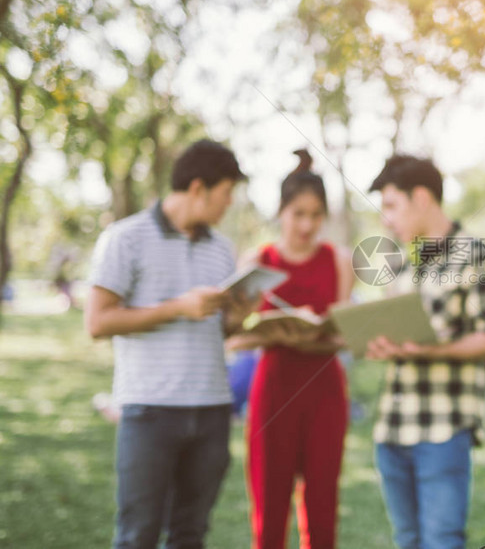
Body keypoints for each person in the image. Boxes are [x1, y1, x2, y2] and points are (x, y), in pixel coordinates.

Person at [85, 139, 251, 549]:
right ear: (199, 188)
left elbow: (222, 330)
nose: (228, 204)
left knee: (190, 534)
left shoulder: (222, 250)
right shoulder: (124, 238)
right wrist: (178, 307)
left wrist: (239, 313)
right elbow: (98, 321)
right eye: (226, 193)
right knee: (137, 533)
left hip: (212, 410)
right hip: (150, 410)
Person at [365, 155, 485, 549]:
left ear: (422, 197)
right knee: (407, 540)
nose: (386, 219)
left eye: (392, 206)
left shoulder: (479, 256)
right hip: (391, 428)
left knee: (441, 541)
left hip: (442, 431)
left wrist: (427, 351)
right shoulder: (401, 262)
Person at [226, 149, 354, 549]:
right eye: (298, 213)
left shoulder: (340, 261)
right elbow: (233, 337)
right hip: (274, 389)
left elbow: (347, 334)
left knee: (321, 505)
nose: (307, 225)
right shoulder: (256, 261)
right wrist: (275, 335)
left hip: (325, 392)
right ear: (281, 211)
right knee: (270, 504)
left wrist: (317, 335)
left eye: (316, 215)